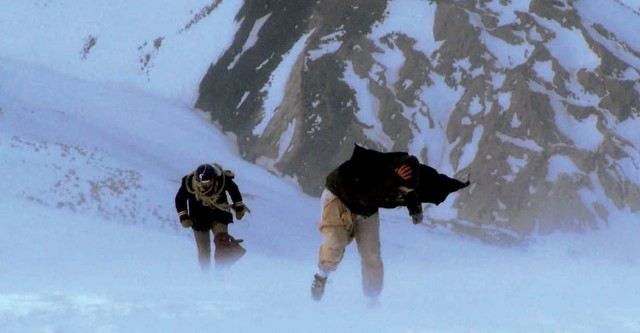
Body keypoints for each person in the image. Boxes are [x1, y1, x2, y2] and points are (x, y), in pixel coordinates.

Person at [311, 144, 470, 301]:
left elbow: (413, 190)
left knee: (372, 254)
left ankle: (372, 299)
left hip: (367, 210)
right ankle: (321, 276)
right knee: (336, 243)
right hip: (339, 198)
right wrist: (393, 179)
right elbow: (367, 197)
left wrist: (415, 210)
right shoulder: (373, 167)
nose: (403, 194)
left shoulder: (408, 173)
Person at [175, 163, 250, 270]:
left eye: (209, 182)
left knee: (222, 242)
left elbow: (234, 190)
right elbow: (180, 199)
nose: (206, 186)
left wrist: (239, 208)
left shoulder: (222, 180)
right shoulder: (189, 184)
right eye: (203, 183)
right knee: (204, 251)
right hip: (198, 220)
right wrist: (184, 217)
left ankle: (221, 271)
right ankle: (205, 277)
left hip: (219, 216)